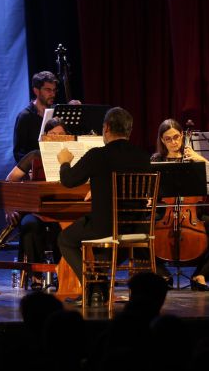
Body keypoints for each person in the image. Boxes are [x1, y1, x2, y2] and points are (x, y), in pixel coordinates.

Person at [56, 107, 150, 303]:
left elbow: (69, 180)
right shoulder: (142, 156)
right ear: (129, 130)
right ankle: (99, 290)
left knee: (65, 238)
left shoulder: (98, 155)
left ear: (106, 128)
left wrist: (64, 163)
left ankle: (93, 286)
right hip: (136, 226)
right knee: (101, 243)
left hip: (105, 226)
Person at [150, 119, 209, 290]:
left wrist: (199, 158)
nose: (173, 142)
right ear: (162, 140)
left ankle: (201, 274)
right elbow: (149, 188)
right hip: (164, 212)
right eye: (168, 139)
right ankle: (161, 273)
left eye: (176, 137)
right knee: (142, 227)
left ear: (182, 136)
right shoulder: (157, 159)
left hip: (191, 213)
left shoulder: (192, 159)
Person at [4, 117, 68, 289]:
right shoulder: (35, 156)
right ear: (45, 137)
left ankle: (64, 275)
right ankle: (36, 276)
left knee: (64, 229)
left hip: (63, 211)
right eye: (53, 134)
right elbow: (10, 180)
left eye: (61, 135)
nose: (57, 138)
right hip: (36, 212)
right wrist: (9, 208)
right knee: (29, 225)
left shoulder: (72, 157)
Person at [13, 71, 58, 162]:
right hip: (35, 167)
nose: (53, 94)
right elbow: (19, 152)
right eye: (48, 90)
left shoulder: (56, 113)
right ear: (36, 91)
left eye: (54, 90)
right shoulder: (25, 117)